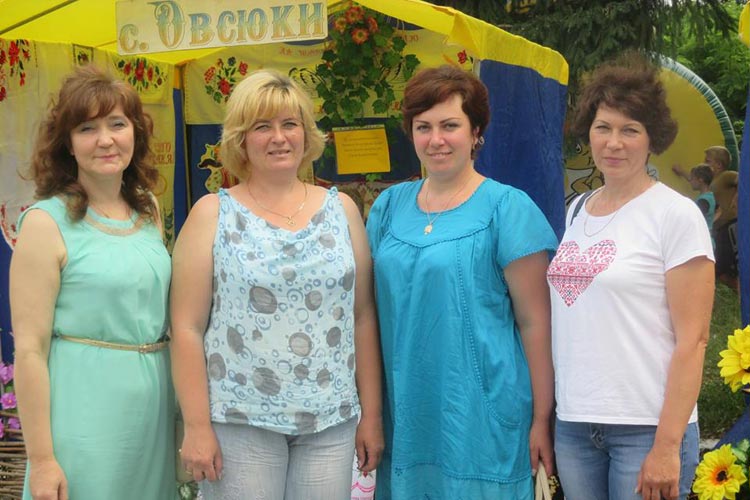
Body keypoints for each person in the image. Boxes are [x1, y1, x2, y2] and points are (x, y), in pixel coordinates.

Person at [170, 68, 383, 500]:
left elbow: (362, 316)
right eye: (262, 127)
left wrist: (372, 415)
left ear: (306, 134)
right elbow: (186, 327)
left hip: (330, 421)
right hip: (240, 419)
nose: (279, 137)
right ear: (240, 139)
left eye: (290, 124)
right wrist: (196, 426)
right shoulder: (212, 214)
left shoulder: (342, 210)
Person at [366, 64, 558, 499]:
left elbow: (535, 323)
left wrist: (541, 418)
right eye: (423, 127)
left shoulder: (507, 208)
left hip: (484, 418)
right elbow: (369, 316)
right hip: (407, 417)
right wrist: (371, 413)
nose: (436, 139)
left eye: (450, 125)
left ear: (476, 132)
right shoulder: (388, 208)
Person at [548, 55, 715, 500]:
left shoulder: (675, 216)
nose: (613, 143)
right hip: (575, 424)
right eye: (603, 127)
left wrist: (667, 445)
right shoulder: (576, 211)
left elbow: (694, 340)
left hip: (647, 427)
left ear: (651, 138)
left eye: (630, 130)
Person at [9, 65, 175, 500]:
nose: (105, 140)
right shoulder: (45, 223)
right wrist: (42, 460)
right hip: (82, 411)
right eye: (87, 128)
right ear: (68, 143)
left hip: (151, 412)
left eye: (117, 124)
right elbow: (29, 351)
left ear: (135, 132)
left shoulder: (148, 210)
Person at [673, 146, 738, 290]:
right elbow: (697, 181)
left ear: (718, 165)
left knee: (723, 265)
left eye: (708, 161)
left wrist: (736, 199)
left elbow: (743, 179)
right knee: (721, 270)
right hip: (719, 228)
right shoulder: (710, 182)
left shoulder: (727, 176)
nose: (704, 162)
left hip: (730, 226)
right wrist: (682, 171)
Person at [687, 164, 716, 238]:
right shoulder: (711, 196)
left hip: (703, 237)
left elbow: (695, 219)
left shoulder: (703, 201)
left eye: (692, 178)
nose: (690, 180)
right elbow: (720, 210)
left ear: (701, 180)